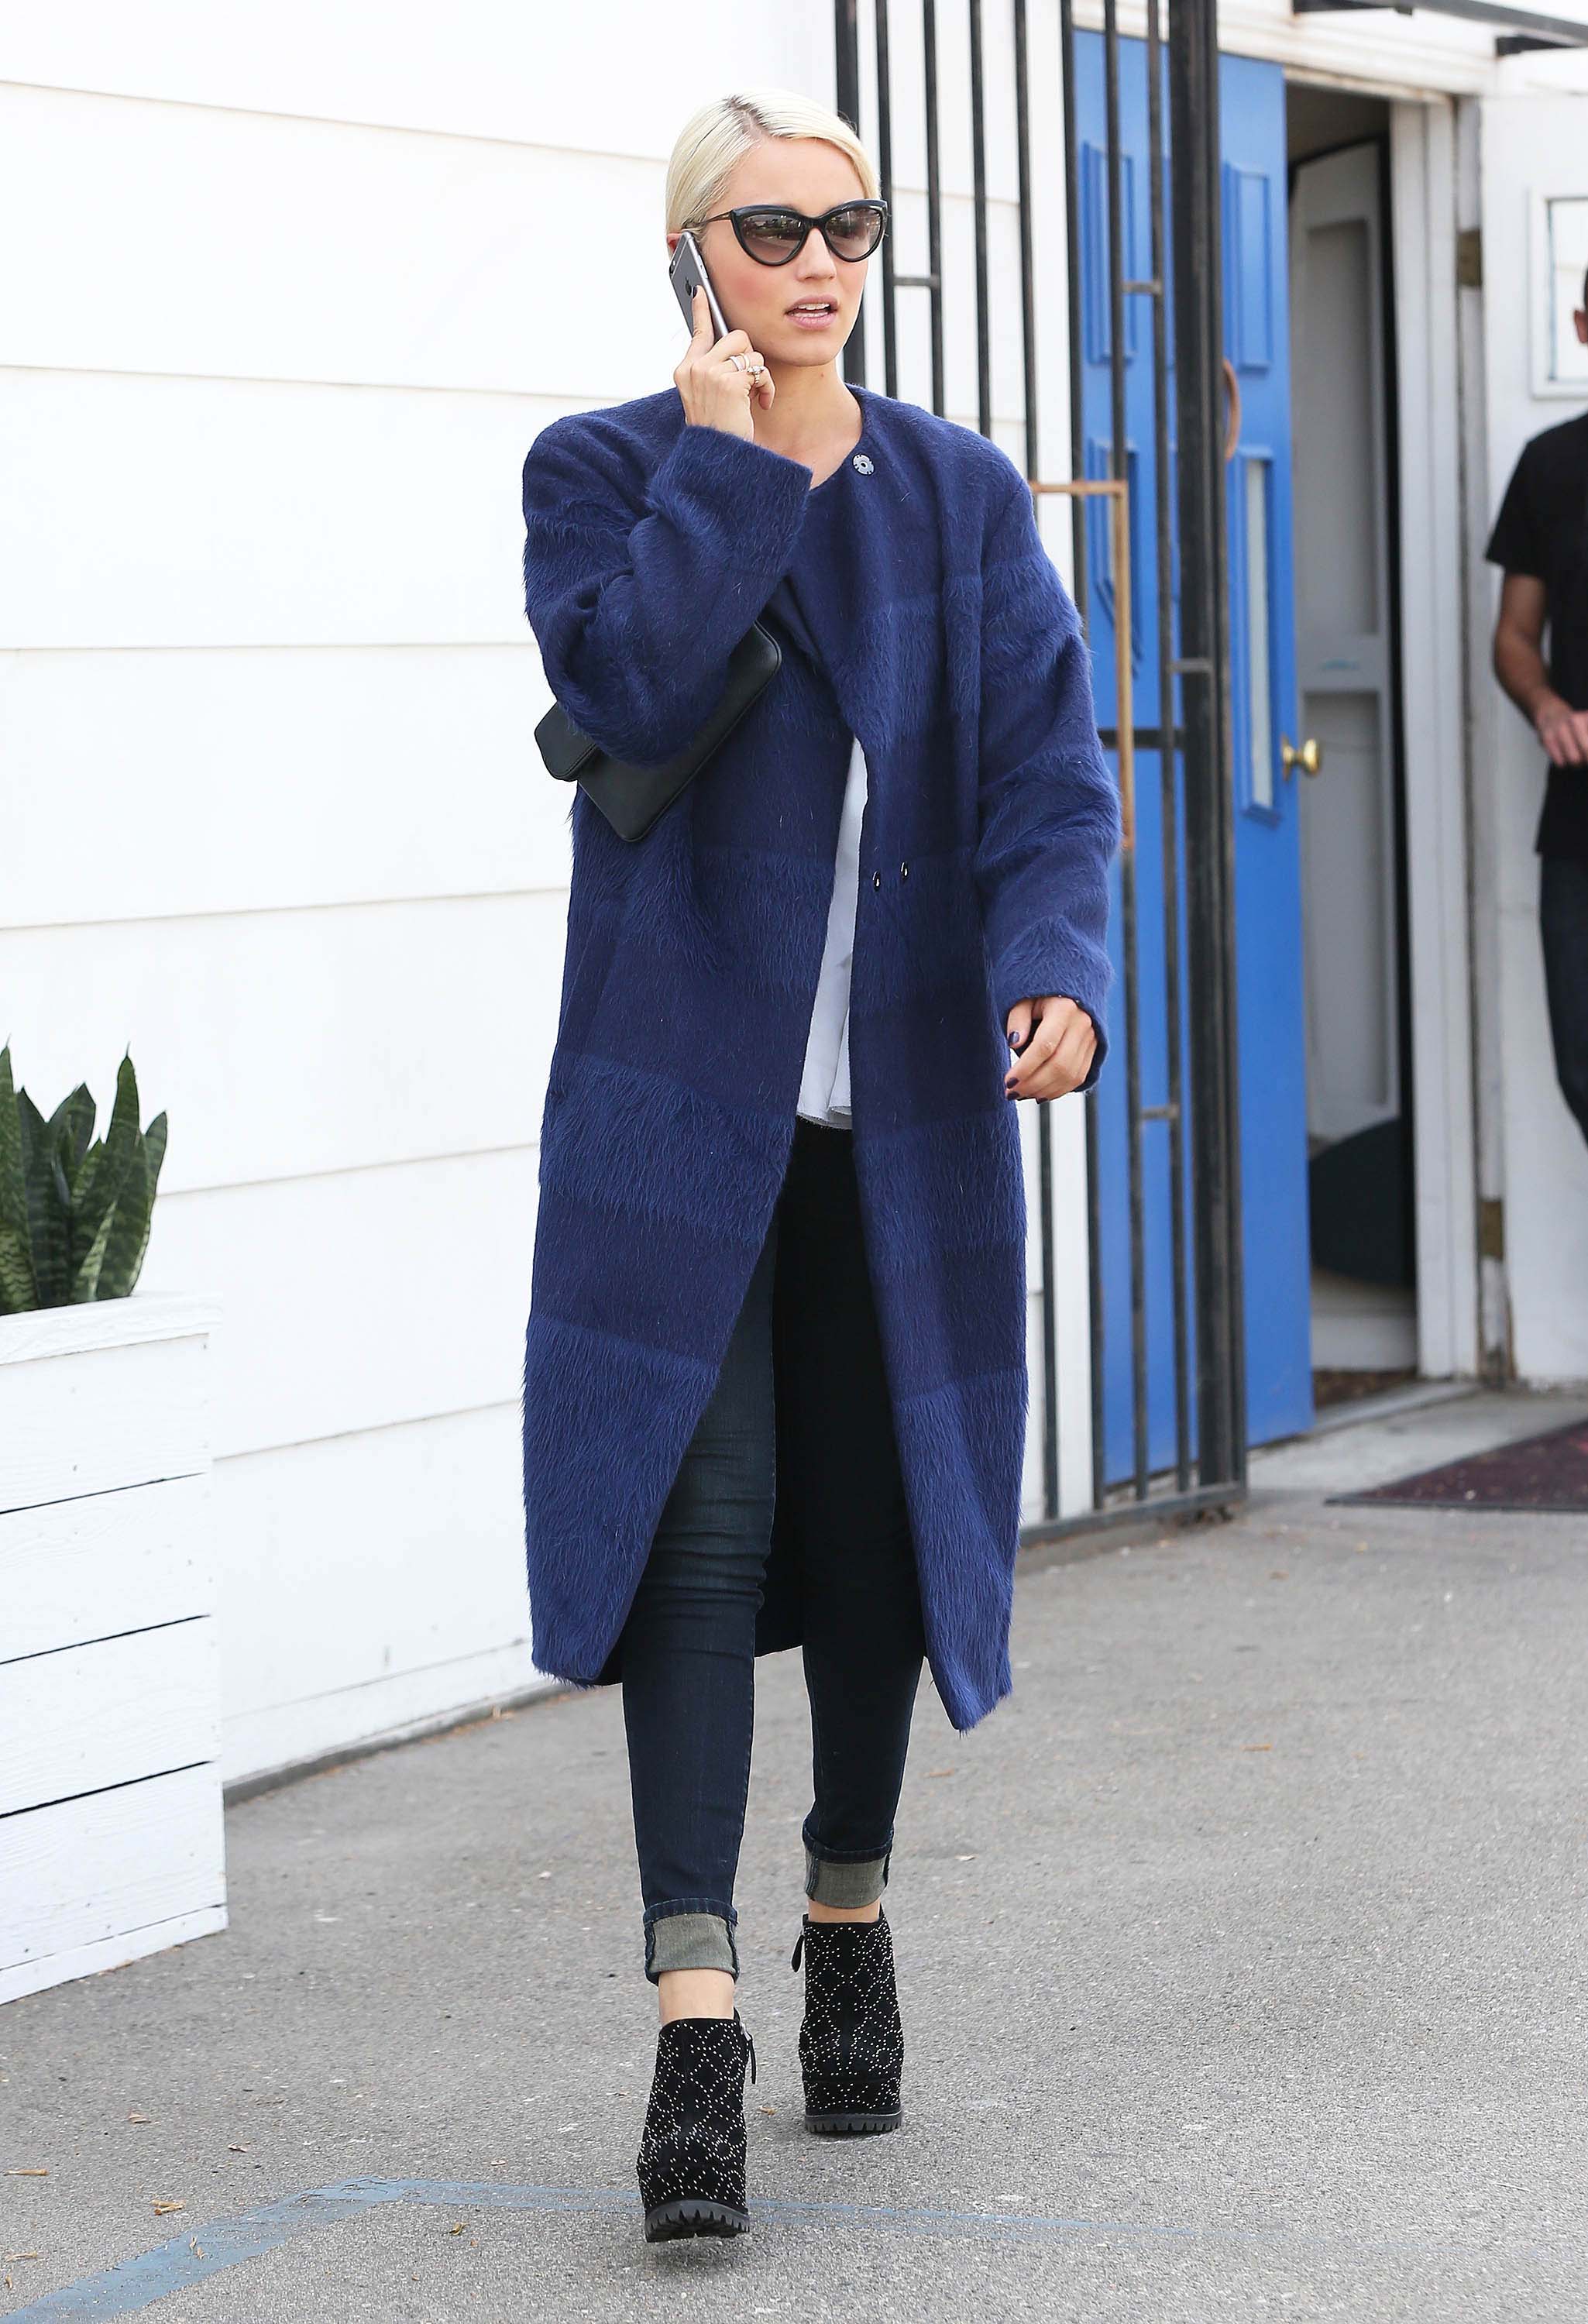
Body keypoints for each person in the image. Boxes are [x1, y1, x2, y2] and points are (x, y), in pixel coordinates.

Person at [517, 87, 1120, 2245]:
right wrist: (729, 466)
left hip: (902, 1121)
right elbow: (630, 684)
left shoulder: (955, 495)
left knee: (874, 1543)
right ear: (691, 252)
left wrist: (1053, 962)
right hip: (677, 1123)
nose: (815, 265)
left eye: (846, 227)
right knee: (696, 1541)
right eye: (770, 229)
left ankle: (842, 1917)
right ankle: (694, 2028)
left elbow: (1046, 767)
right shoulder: (602, 472)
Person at [1487, 267, 1588, 1149]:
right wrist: (1547, 705)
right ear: (1582, 327)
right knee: (1581, 1064)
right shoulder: (1550, 467)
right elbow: (1514, 636)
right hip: (1578, 823)